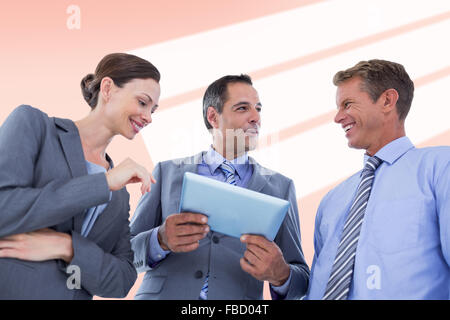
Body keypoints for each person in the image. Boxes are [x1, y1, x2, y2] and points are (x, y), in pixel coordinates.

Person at [130, 74, 310, 300]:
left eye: (258, 109)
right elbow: (125, 255)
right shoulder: (166, 173)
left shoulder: (281, 188)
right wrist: (160, 239)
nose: (256, 117)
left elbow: (302, 281)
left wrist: (281, 274)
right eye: (243, 108)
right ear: (213, 116)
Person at [0, 52, 161, 299]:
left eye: (153, 109)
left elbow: (122, 280)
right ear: (108, 88)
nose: (148, 117)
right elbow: (4, 209)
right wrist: (103, 183)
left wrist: (66, 247)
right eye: (142, 102)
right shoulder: (34, 126)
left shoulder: (119, 195)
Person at [306, 59, 450, 300]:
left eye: (347, 104)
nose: (337, 117)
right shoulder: (332, 201)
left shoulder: (440, 168)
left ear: (387, 101)